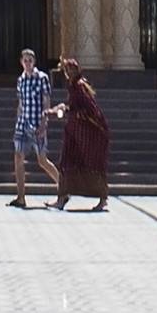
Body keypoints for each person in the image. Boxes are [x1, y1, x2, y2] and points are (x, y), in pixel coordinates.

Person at [48, 57, 110, 211]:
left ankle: (102, 199)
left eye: (71, 69)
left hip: (87, 134)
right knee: (66, 163)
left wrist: (70, 111)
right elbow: (73, 107)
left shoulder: (80, 87)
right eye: (67, 70)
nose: (69, 73)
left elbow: (91, 111)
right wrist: (63, 109)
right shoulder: (72, 87)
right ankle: (61, 198)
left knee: (92, 165)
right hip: (73, 133)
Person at [7, 48, 59, 208]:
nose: (27, 63)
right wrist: (17, 121)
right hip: (23, 124)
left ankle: (64, 188)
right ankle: (21, 196)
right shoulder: (21, 80)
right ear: (21, 62)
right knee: (18, 157)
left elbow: (46, 101)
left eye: (30, 60)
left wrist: (44, 123)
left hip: (37, 124)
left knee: (42, 160)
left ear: (34, 62)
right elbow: (21, 103)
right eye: (25, 60)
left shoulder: (42, 78)